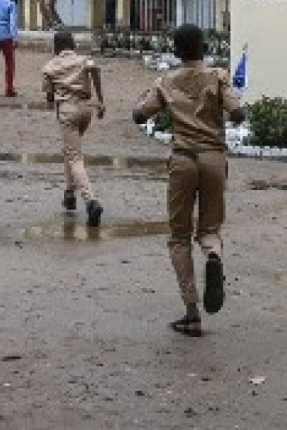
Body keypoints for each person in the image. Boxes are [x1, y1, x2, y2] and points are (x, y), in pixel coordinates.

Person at [132, 24, 246, 337]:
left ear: (177, 50)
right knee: (209, 230)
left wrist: (140, 102)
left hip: (183, 160)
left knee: (179, 236)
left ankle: (192, 311)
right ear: (203, 47)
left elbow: (140, 116)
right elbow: (239, 114)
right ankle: (213, 255)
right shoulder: (219, 77)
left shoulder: (166, 81)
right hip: (213, 159)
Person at [43, 30, 106, 226]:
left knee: (74, 156)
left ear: (55, 47)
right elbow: (95, 69)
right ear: (73, 45)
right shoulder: (83, 60)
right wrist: (101, 100)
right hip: (86, 109)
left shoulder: (50, 66)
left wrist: (56, 92)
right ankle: (69, 194)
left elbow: (49, 96)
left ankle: (91, 201)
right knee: (70, 151)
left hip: (67, 111)